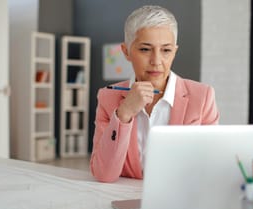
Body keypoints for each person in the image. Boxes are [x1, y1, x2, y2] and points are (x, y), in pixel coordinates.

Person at [90, 5, 220, 182]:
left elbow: (212, 167)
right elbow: (104, 174)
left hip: (180, 200)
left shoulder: (203, 97)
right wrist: (124, 113)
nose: (156, 61)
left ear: (174, 51)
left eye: (166, 50)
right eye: (145, 49)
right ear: (126, 51)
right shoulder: (108, 98)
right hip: (125, 200)